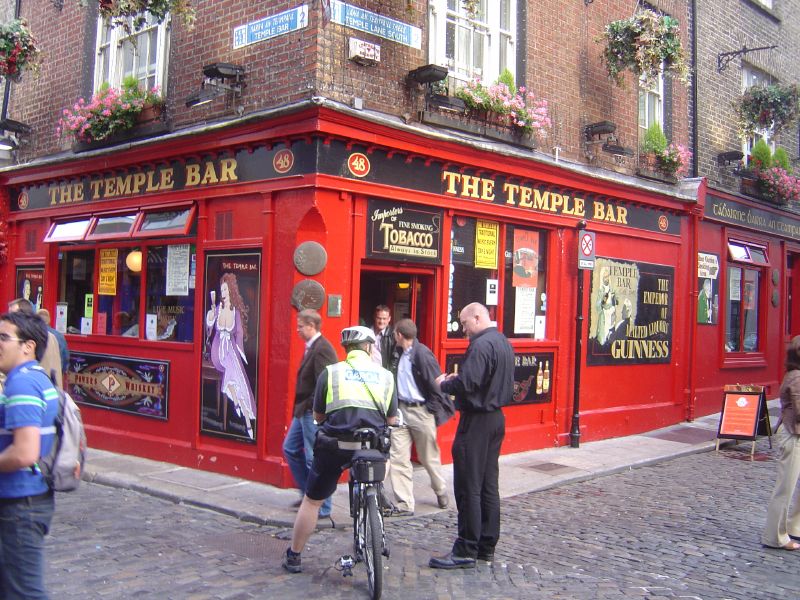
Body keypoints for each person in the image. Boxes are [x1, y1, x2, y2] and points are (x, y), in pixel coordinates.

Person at [282, 325, 398, 574]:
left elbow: (318, 414)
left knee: (312, 502)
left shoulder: (330, 373)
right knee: (386, 458)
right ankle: (376, 497)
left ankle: (294, 555)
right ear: (368, 347)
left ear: (346, 349)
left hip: (335, 447)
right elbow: (390, 419)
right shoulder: (386, 376)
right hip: (371, 447)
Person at [430, 302, 513, 569]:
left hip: (477, 421)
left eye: (465, 325)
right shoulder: (502, 342)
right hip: (495, 419)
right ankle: (486, 546)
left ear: (477, 318)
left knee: (469, 486)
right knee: (489, 486)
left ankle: (466, 548)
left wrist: (444, 383)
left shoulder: (481, 345)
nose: (464, 331)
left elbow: (468, 382)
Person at [0, 309, 60, 599]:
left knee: (24, 593)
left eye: (3, 337)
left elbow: (25, 452)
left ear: (28, 346)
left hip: (20, 505)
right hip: (29, 499)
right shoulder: (37, 377)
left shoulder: (21, 383)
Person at [387, 318, 453, 516]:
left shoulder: (422, 354)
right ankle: (404, 503)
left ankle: (440, 490)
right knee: (398, 457)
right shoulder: (397, 353)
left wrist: (429, 410)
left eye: (395, 333)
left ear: (399, 334)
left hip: (420, 411)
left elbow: (437, 385)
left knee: (428, 456)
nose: (393, 336)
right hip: (401, 410)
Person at [282, 309, 338, 522]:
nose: (297, 330)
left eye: (300, 326)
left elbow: (325, 383)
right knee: (290, 449)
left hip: (311, 412)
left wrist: (314, 410)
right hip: (303, 410)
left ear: (311, 326)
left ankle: (323, 505)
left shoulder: (322, 348)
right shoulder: (312, 346)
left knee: (313, 458)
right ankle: (309, 495)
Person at [205, 273, 256, 439]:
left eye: (225, 289)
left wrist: (241, 353)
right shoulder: (217, 310)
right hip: (218, 350)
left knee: (238, 378)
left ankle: (246, 418)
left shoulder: (235, 313)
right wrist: (211, 317)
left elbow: (239, 333)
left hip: (231, 350)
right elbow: (209, 329)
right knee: (232, 370)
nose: (223, 292)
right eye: (222, 289)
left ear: (231, 290)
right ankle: (237, 404)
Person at [762, 335, 800, 551]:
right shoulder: (796, 377)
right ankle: (775, 536)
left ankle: (795, 527)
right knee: (785, 488)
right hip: (793, 435)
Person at [8, 299, 62, 389]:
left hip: (34, 391)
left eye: (13, 315)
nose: (9, 319)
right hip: (47, 391)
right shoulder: (51, 336)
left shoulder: (25, 337)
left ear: (24, 315)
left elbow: (55, 369)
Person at [37, 308, 69, 375]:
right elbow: (65, 358)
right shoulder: (59, 336)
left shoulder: (33, 334)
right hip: (55, 376)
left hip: (38, 376)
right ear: (49, 320)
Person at [595, 267, 618, 346]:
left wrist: (614, 298)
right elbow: (598, 305)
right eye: (605, 277)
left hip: (611, 313)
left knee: (611, 334)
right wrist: (603, 300)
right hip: (604, 315)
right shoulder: (601, 290)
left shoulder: (612, 289)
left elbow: (616, 302)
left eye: (608, 276)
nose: (607, 279)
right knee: (604, 335)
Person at [370, 304, 395, 369]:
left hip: (384, 373)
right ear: (374, 317)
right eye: (379, 318)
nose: (381, 321)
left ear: (389, 319)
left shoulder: (393, 335)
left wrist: (388, 375)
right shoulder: (366, 332)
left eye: (384, 319)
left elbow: (395, 359)